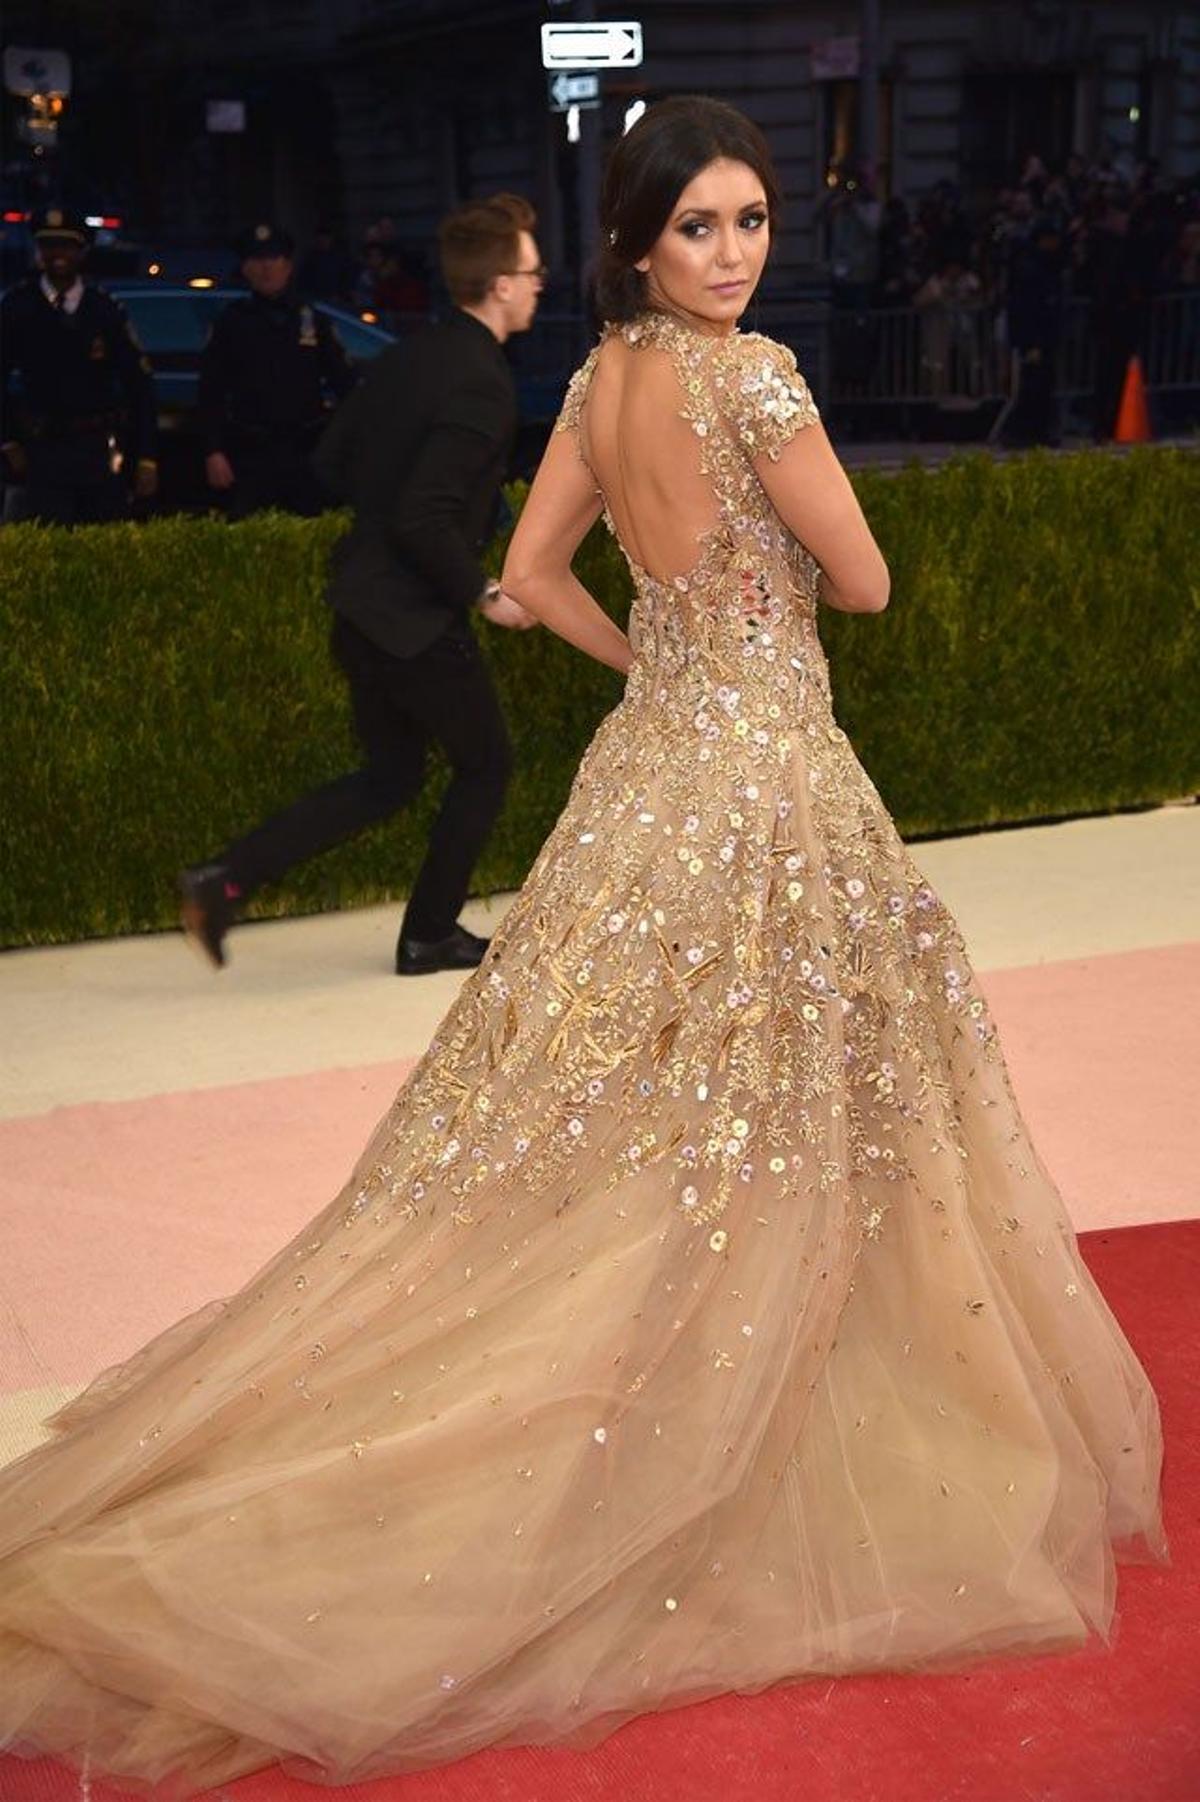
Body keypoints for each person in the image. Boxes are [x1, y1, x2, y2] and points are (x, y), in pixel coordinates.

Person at [0, 99, 1165, 1794]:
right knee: (796, 1089)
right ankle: (770, 1401)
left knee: (625, 1100)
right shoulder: (752, 376)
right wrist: (729, 639)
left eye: (755, 219)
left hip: (656, 773)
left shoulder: (596, 381)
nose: (738, 251)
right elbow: (869, 583)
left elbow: (531, 572)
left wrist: (657, 664)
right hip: (764, 777)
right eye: (702, 225)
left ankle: (735, 1359)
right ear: (635, 238)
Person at [180, 193, 543, 978]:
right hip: (411, 619)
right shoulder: (483, 383)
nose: (541, 285)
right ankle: (428, 935)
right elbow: (425, 516)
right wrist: (485, 592)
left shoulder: (415, 353)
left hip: (361, 604)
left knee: (389, 778)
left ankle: (223, 880)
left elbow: (334, 462)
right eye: (533, 272)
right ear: (502, 285)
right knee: (485, 766)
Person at [0, 206, 158, 524]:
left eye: (66, 246)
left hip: (96, 448)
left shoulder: (105, 310)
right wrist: (7, 440)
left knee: (103, 543)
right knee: (49, 542)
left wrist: (146, 456)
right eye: (49, 246)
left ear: (81, 252)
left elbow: (139, 385)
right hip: (41, 448)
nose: (57, 255)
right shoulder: (17, 307)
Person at [198, 222, 357, 518]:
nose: (266, 269)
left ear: (288, 266)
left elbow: (344, 383)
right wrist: (213, 450)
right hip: (251, 451)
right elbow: (211, 391)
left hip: (306, 451)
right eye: (257, 261)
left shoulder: (312, 320)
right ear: (245, 268)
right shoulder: (231, 323)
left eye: (273, 260)